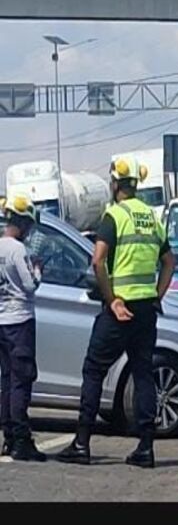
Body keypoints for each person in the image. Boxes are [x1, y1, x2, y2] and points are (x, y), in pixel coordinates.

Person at [56, 156, 174, 469]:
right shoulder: (151, 217)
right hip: (146, 309)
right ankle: (146, 447)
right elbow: (169, 262)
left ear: (115, 183)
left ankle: (82, 443)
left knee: (94, 369)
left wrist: (112, 301)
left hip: (119, 308)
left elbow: (97, 261)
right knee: (143, 372)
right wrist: (156, 295)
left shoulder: (114, 216)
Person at [0, 194, 44, 462]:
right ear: (23, 222)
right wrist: (37, 270)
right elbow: (30, 285)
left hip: (2, 321)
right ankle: (21, 440)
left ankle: (8, 436)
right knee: (21, 381)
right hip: (20, 322)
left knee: (6, 381)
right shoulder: (18, 250)